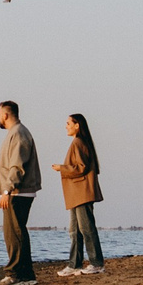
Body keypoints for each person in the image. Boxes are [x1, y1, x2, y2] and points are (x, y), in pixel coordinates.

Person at [0, 100, 41, 285]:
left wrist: (7, 190)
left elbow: (17, 166)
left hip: (17, 192)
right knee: (16, 232)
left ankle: (15, 274)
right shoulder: (16, 133)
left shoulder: (19, 134)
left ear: (6, 115)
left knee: (14, 234)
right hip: (16, 191)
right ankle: (27, 275)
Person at [50, 112, 104, 276]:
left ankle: (96, 263)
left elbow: (81, 167)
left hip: (82, 192)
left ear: (77, 125)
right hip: (76, 193)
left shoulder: (78, 142)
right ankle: (75, 264)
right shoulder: (79, 142)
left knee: (86, 229)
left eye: (68, 123)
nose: (66, 126)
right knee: (74, 231)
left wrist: (62, 168)